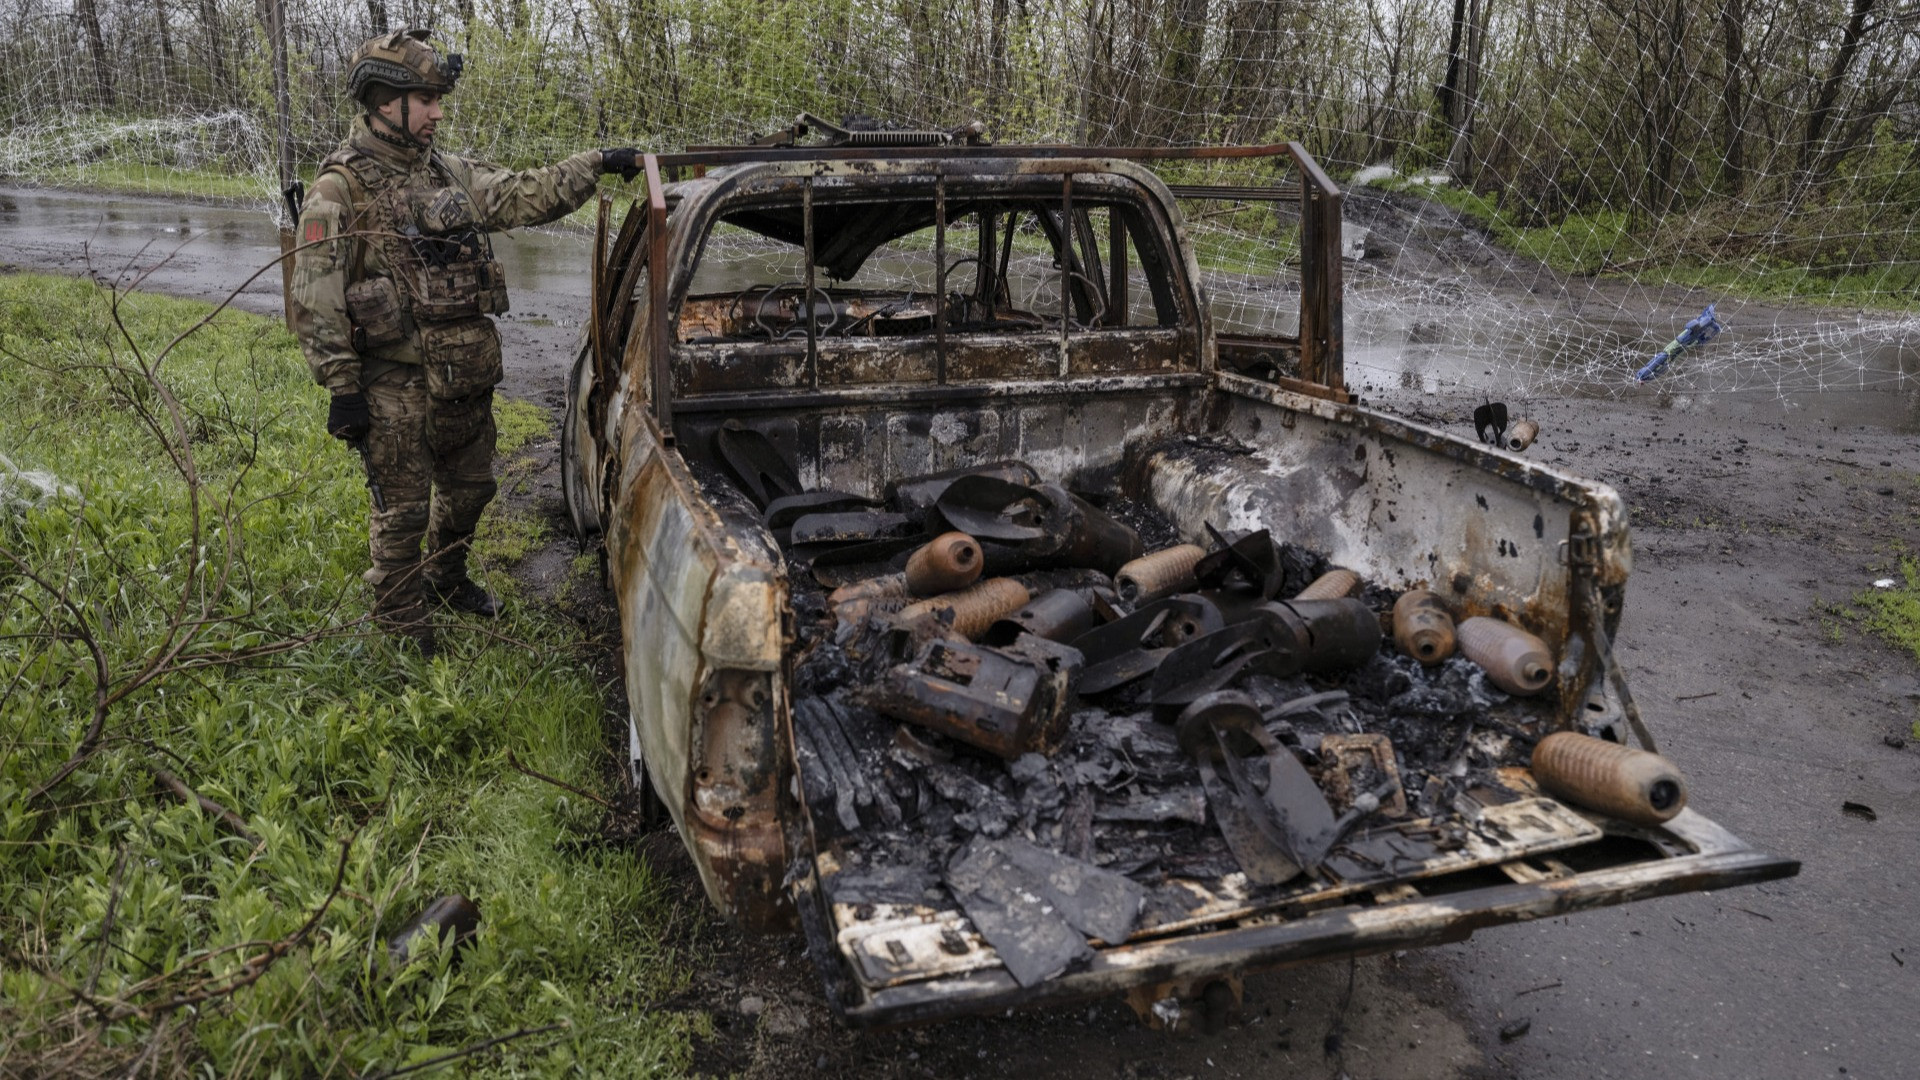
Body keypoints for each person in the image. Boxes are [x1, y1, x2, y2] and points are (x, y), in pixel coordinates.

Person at [290, 28, 641, 655]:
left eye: (437, 99)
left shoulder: (448, 172)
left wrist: (596, 165)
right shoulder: (338, 190)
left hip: (463, 380)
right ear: (382, 100)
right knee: (402, 517)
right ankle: (402, 625)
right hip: (392, 387)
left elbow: (524, 194)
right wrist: (342, 387)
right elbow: (314, 299)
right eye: (425, 98)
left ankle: (447, 579)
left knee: (472, 490)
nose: (437, 111)